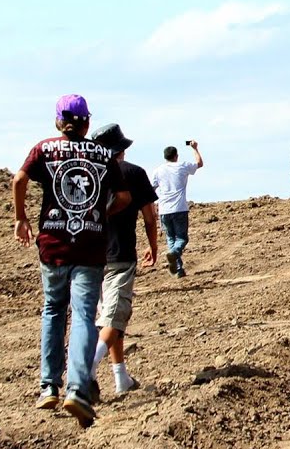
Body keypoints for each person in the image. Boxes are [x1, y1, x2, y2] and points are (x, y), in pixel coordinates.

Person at [12, 95, 130, 428]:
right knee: (83, 315)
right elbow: (122, 197)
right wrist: (102, 214)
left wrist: (21, 218)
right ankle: (77, 388)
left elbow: (19, 180)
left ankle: (48, 385)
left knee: (52, 309)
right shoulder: (104, 155)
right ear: (87, 123)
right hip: (90, 245)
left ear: (58, 121)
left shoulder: (44, 149)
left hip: (52, 243)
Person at [89, 123, 158, 399]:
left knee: (108, 316)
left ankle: (121, 378)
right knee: (115, 318)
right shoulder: (133, 173)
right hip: (120, 255)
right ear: (121, 150)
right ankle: (87, 368)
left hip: (91, 255)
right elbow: (150, 217)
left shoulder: (88, 172)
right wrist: (153, 247)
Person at [151, 140, 203, 277]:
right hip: (179, 208)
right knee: (182, 238)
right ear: (176, 156)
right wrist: (195, 148)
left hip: (164, 209)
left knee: (170, 238)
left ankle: (178, 269)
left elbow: (151, 189)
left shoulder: (158, 171)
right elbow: (199, 164)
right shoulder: (182, 166)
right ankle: (174, 254)